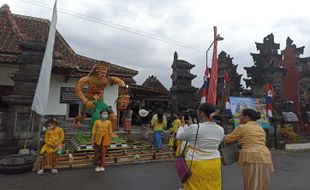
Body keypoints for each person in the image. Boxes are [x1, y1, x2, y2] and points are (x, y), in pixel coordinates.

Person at [176, 103, 224, 190]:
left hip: (196, 163)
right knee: (212, 185)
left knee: (194, 186)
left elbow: (179, 136)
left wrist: (182, 126)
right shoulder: (220, 129)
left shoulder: (195, 128)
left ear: (201, 113)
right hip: (214, 162)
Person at [224, 108, 274, 190]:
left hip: (251, 156)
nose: (239, 118)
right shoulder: (260, 128)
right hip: (265, 156)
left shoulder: (242, 127)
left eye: (240, 116)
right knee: (262, 183)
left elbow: (228, 139)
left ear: (246, 117)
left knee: (251, 182)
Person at [74, 64, 125, 131]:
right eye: (100, 69)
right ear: (95, 70)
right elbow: (78, 91)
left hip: (100, 103)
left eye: (104, 69)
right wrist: (86, 101)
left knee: (113, 118)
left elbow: (115, 79)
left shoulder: (107, 80)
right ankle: (77, 120)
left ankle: (112, 132)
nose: (102, 71)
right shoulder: (87, 79)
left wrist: (121, 82)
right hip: (90, 102)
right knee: (83, 117)